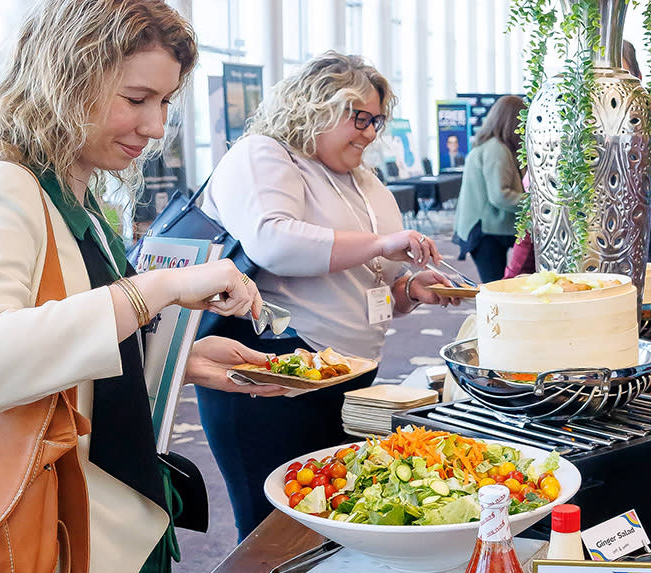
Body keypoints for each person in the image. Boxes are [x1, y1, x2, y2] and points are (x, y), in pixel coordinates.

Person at [0, 3, 287, 573]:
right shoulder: (2, 188)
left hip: (86, 529)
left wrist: (188, 365)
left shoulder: (76, 195)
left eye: (165, 102)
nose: (153, 126)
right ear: (64, 79)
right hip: (18, 552)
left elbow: (73, 348)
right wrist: (157, 289)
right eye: (135, 99)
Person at [197, 51, 459, 539]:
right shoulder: (265, 154)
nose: (369, 133)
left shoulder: (362, 180)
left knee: (335, 518)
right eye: (359, 117)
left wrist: (409, 290)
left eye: (377, 121)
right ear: (315, 104)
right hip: (274, 370)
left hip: (350, 375)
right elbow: (273, 241)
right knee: (272, 528)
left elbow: (369, 278)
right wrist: (384, 243)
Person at [504, 42, 651, 333]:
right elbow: (534, 230)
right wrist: (508, 293)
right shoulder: (563, 153)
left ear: (637, 85)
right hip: (571, 314)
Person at [453, 95, 525, 283]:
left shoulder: (489, 145)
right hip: (486, 231)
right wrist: (536, 203)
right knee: (494, 289)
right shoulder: (496, 149)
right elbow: (499, 195)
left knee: (497, 285)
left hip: (488, 228)